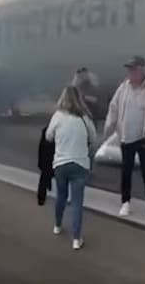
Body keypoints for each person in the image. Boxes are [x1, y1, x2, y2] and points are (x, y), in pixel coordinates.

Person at [102, 56, 145, 226]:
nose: (130, 72)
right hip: (127, 138)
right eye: (129, 69)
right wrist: (109, 126)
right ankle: (125, 202)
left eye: (133, 69)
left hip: (144, 138)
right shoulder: (123, 88)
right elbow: (114, 107)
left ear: (141, 69)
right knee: (126, 171)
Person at [45, 85, 98, 250]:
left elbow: (48, 136)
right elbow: (94, 139)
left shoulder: (58, 116)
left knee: (61, 196)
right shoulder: (85, 118)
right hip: (80, 165)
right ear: (79, 99)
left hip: (61, 164)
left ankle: (57, 225)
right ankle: (76, 239)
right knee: (76, 203)